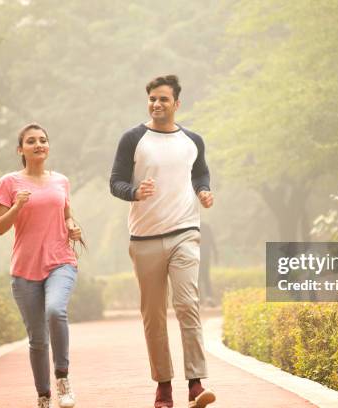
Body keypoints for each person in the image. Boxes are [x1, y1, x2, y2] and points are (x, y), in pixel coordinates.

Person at [110, 75, 216, 408]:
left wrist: (203, 190)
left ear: (177, 104)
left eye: (163, 100)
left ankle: (196, 384)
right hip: (144, 238)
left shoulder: (192, 140)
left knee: (187, 305)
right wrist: (134, 192)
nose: (157, 105)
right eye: (152, 99)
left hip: (185, 231)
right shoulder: (133, 138)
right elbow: (115, 182)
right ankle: (164, 387)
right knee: (153, 315)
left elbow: (199, 172)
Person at [0, 123, 83, 408]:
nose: (39, 145)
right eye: (31, 141)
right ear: (21, 150)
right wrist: (18, 207)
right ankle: (43, 396)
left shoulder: (61, 181)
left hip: (60, 261)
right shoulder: (9, 183)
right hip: (25, 269)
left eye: (43, 140)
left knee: (56, 311)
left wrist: (72, 226)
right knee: (37, 339)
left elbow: (67, 215)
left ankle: (63, 378)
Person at [199, 222, 218, 306]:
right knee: (205, 277)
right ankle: (207, 298)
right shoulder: (206, 227)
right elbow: (213, 242)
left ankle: (203, 299)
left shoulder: (191, 227)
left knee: (198, 278)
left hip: (196, 256)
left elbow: (212, 242)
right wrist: (215, 255)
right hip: (204, 256)